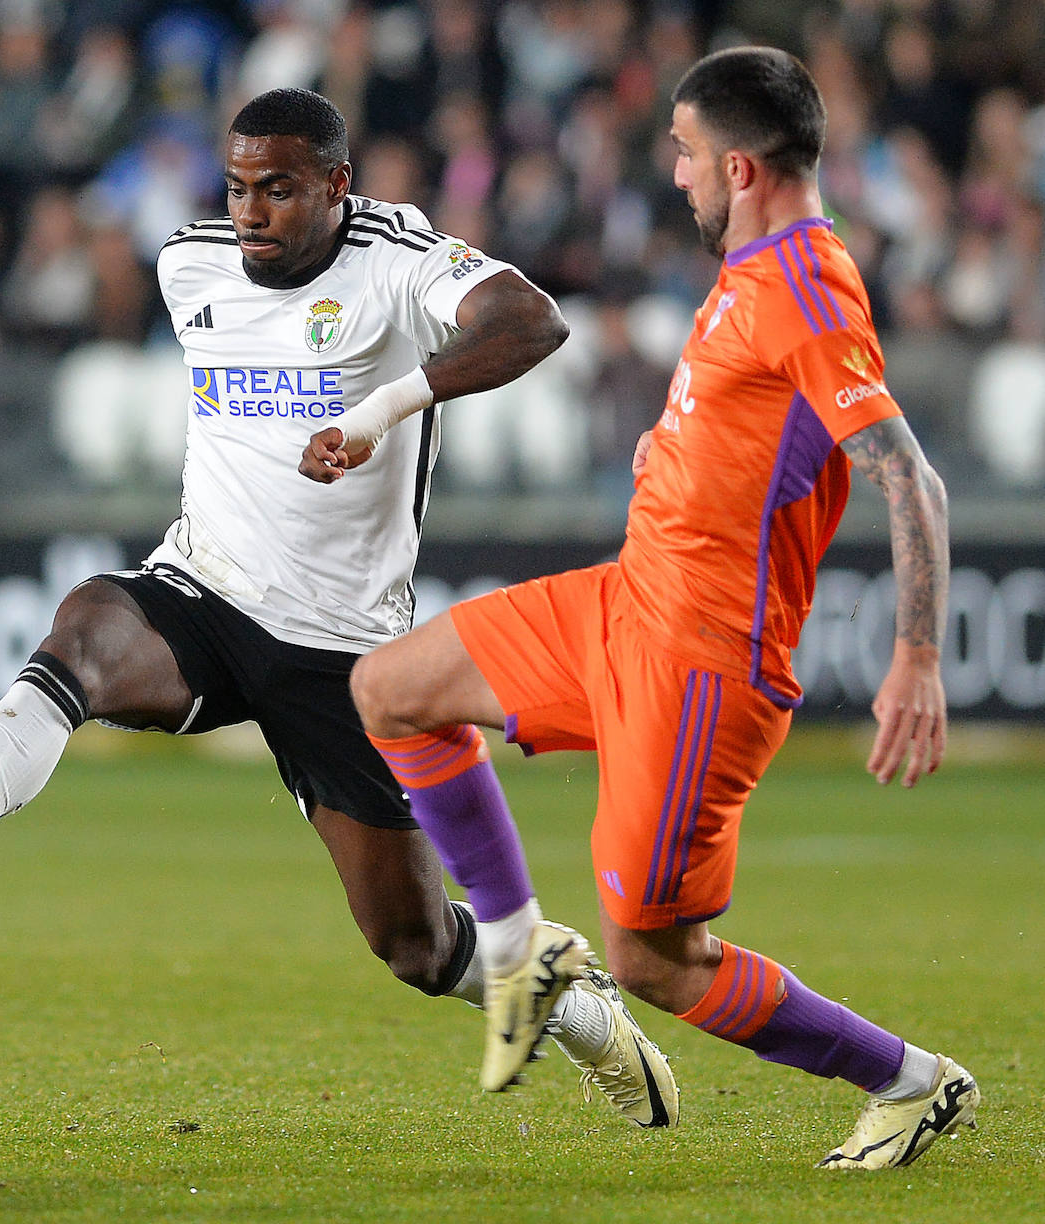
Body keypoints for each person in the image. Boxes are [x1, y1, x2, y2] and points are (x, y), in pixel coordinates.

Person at [0, 88, 678, 1126]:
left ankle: (575, 1007)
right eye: (236, 189)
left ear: (337, 187)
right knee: (83, 635)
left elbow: (532, 322)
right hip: (204, 590)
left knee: (411, 945)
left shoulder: (395, 257)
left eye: (278, 190)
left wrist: (381, 410)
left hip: (345, 648)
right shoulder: (189, 264)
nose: (251, 213)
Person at [318, 48, 979, 1169]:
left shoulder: (807, 285)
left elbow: (909, 478)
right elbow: (763, 434)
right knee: (391, 690)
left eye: (684, 152)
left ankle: (912, 1081)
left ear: (740, 167)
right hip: (626, 603)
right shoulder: (756, 269)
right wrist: (671, 453)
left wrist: (916, 656)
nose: (675, 175)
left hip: (700, 661)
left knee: (654, 961)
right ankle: (519, 951)